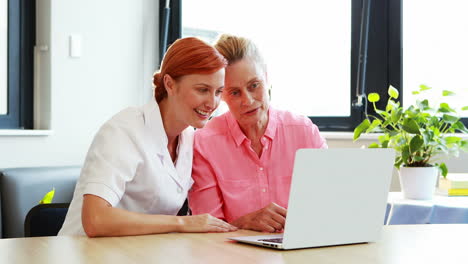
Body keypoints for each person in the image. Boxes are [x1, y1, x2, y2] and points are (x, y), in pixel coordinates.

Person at [59, 37, 237, 237]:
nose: (212, 103)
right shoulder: (124, 130)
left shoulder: (188, 136)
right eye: (202, 90)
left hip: (139, 252)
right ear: (170, 84)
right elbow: (96, 219)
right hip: (85, 253)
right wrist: (181, 223)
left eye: (218, 92)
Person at [188, 34, 327, 233]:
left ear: (267, 78)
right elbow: (207, 229)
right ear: (221, 94)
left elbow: (329, 204)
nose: (248, 100)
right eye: (234, 92)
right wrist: (244, 222)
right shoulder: (204, 143)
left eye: (254, 85)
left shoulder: (304, 132)